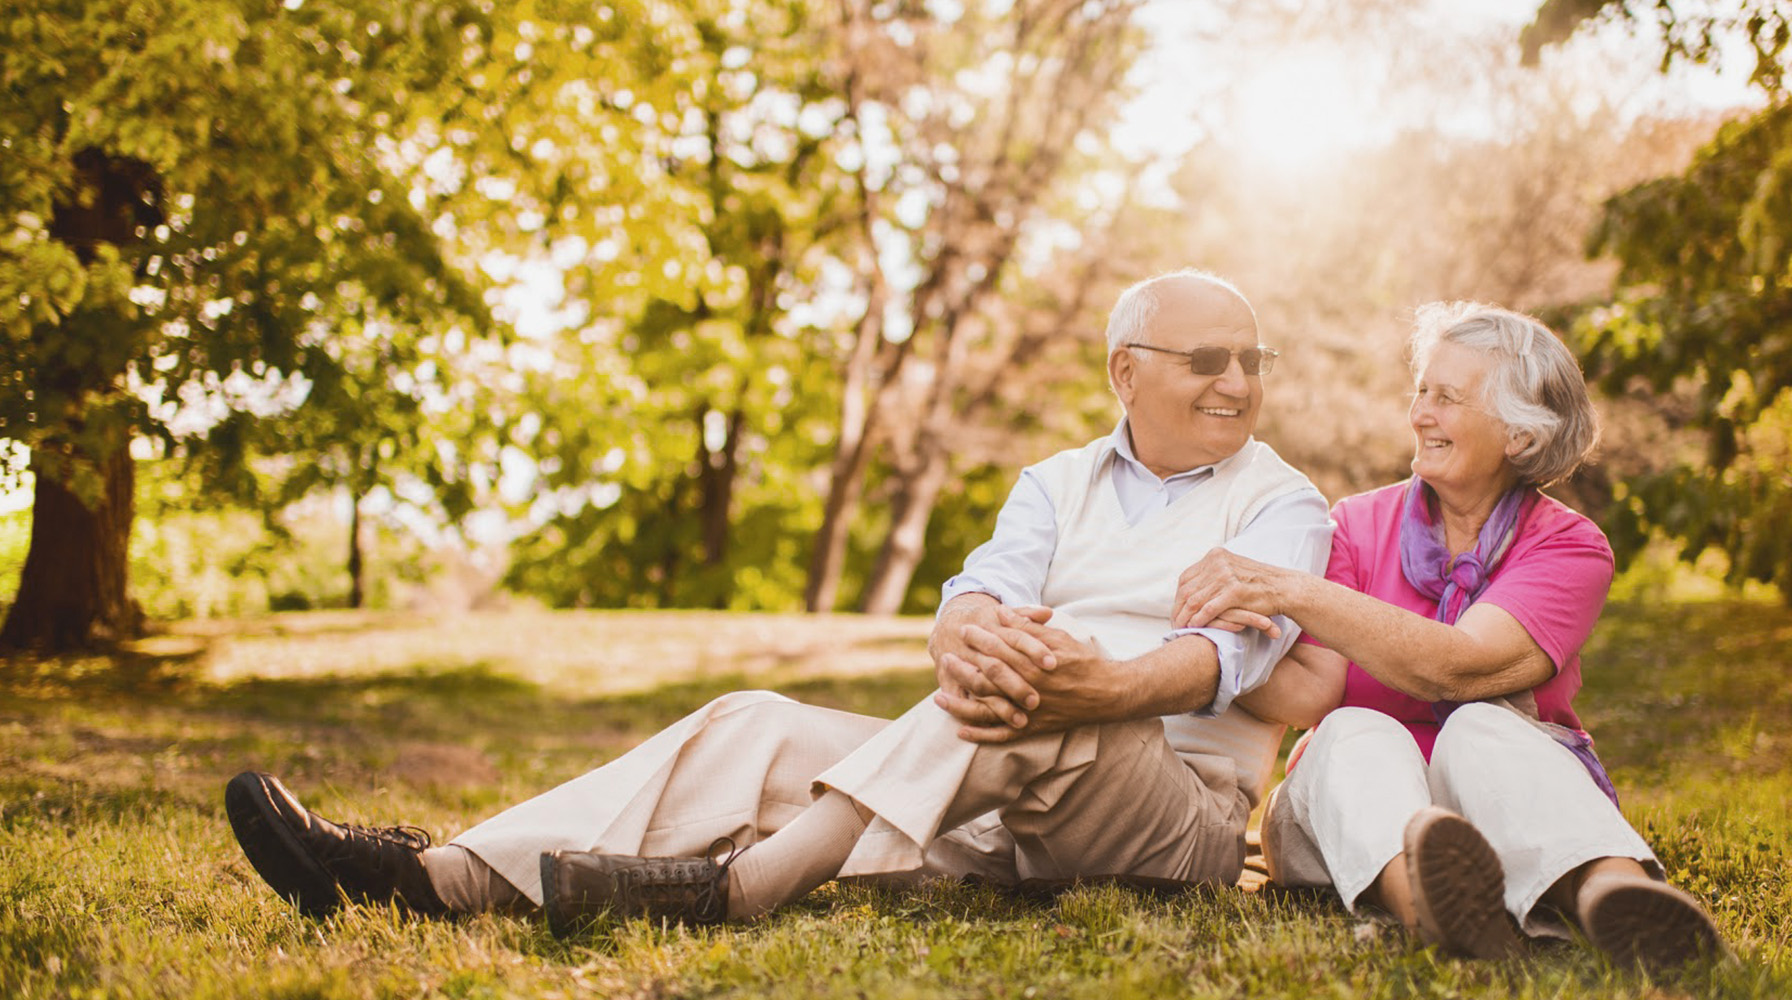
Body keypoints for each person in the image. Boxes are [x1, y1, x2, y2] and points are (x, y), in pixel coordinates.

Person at [224, 269, 1334, 933]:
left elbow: (1226, 660)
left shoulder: (1286, 504)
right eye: (1206, 357)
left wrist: (1109, 681)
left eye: (1251, 358)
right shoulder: (1052, 482)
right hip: (996, 792)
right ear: (1124, 372)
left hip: (1170, 814)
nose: (1236, 381)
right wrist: (965, 633)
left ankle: (738, 890)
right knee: (753, 723)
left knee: (1036, 691)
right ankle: (426, 878)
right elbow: (977, 598)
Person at [1154, 301, 1722, 974]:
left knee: (1483, 726)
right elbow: (1312, 696)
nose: (1420, 413)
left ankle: (1616, 894)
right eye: (1422, 390)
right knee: (1350, 732)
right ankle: (1430, 902)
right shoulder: (1357, 524)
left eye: (1447, 398)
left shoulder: (1568, 546)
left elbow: (1461, 666)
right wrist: (1218, 630)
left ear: (1519, 434)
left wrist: (1289, 590)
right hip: (1350, 808)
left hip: (1505, 807)